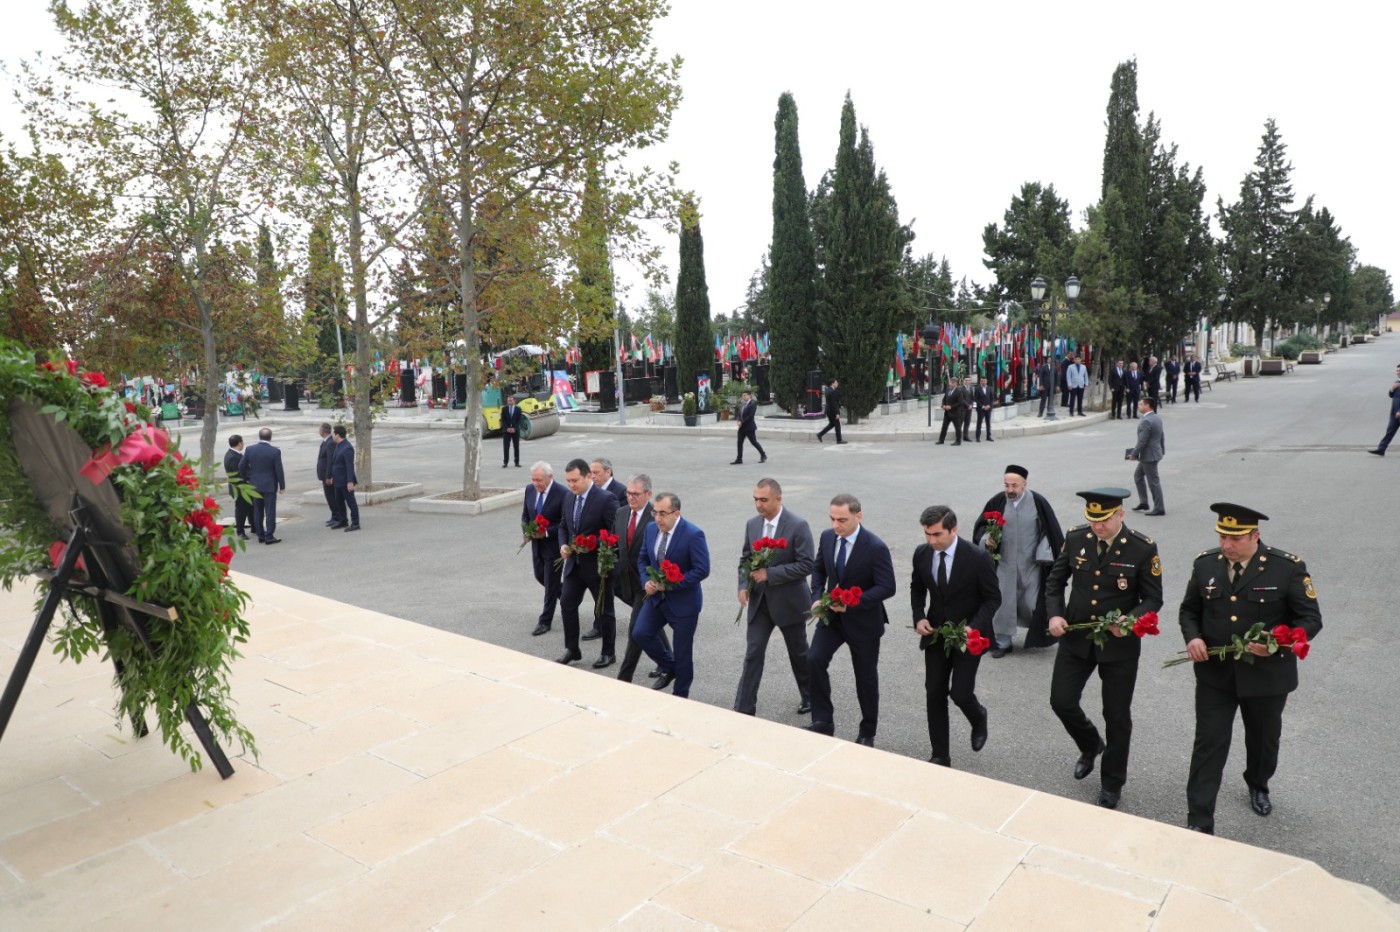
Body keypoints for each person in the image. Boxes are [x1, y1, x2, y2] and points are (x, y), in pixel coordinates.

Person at [1179, 503, 1322, 834]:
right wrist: (1193, 638)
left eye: (1236, 538)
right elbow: (1189, 610)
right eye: (1223, 536)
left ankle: (1258, 783)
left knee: (1263, 739)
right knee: (1208, 743)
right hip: (1216, 673)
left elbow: (1310, 618)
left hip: (1267, 675)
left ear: (1255, 536)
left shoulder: (1286, 568)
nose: (1227, 544)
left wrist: (1278, 642)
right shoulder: (1205, 565)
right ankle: (1199, 821)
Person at [1046, 488, 1163, 810]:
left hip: (1119, 645)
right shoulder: (1075, 538)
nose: (1098, 527)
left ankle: (1112, 784)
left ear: (1121, 515)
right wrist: (1055, 613)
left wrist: (1130, 619)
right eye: (1093, 520)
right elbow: (1055, 581)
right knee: (1061, 701)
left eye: (1105, 520)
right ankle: (1089, 743)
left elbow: (1153, 599)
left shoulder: (1142, 548)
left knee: (1117, 716)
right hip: (1076, 637)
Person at [912, 505, 1000, 767]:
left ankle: (978, 717)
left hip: (968, 637)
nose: (931, 540)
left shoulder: (977, 557)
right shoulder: (923, 553)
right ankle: (940, 754)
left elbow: (993, 599)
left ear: (954, 529)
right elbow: (917, 588)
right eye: (927, 534)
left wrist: (973, 626)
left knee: (960, 693)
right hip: (937, 635)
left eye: (937, 534)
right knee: (934, 693)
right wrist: (919, 616)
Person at [805, 493, 896, 746]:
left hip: (864, 622)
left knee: (865, 677)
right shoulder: (827, 537)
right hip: (832, 617)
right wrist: (816, 597)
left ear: (858, 516)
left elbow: (887, 587)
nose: (836, 525)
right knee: (814, 660)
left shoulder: (875, 547)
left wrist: (853, 602)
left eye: (842, 519)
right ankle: (823, 721)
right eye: (832, 518)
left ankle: (867, 732)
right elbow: (819, 568)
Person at [734, 478, 813, 717]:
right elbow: (745, 560)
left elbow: (807, 564)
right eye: (756, 499)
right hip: (760, 604)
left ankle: (811, 696)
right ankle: (744, 708)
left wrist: (770, 574)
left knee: (798, 653)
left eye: (763, 500)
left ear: (779, 498)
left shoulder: (798, 525)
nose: (758, 504)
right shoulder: (752, 524)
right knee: (753, 652)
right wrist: (743, 584)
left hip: (789, 602)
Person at [973, 465, 1065, 657]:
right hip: (1004, 564)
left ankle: (1040, 633)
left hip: (1031, 564)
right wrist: (986, 539)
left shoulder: (1038, 502)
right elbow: (981, 526)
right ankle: (1002, 642)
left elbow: (1051, 531)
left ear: (1024, 484)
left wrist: (1048, 554)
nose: (1010, 490)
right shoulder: (997, 501)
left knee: (1033, 603)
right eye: (1006, 485)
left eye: (1014, 485)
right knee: (1003, 604)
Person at [634, 492, 711, 696]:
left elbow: (702, 569)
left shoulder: (693, 534)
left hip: (684, 604)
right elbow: (642, 560)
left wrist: (670, 585)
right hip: (657, 599)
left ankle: (680, 696)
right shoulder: (651, 530)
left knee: (683, 653)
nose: (657, 518)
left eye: (663, 513)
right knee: (640, 633)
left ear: (677, 513)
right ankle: (670, 668)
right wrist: (646, 581)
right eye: (655, 513)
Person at [558, 458, 618, 667]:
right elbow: (564, 525)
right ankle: (572, 649)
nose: (571, 485)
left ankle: (608, 653)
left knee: (604, 610)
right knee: (566, 604)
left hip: (598, 567)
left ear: (588, 476)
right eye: (568, 481)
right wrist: (563, 545)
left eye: (575, 480)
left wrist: (592, 543)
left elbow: (614, 533)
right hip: (574, 565)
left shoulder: (605, 499)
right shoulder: (568, 497)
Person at [613, 474, 669, 683]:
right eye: (628, 493)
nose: (631, 497)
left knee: (636, 631)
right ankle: (668, 662)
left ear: (649, 494)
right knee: (649, 624)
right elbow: (614, 544)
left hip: (647, 585)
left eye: (636, 494)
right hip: (626, 583)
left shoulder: (656, 517)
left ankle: (624, 677)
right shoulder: (620, 513)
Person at [523, 461, 566, 637]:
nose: (536, 483)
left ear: (550, 477)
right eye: (533, 479)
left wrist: (547, 532)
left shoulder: (563, 493)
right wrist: (526, 530)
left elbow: (565, 524)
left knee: (550, 584)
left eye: (539, 480)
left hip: (554, 546)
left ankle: (545, 621)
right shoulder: (529, 490)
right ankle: (568, 596)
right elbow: (526, 515)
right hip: (536, 545)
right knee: (540, 576)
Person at [239, 427, 285, 544]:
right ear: (270, 437)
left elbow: (241, 466)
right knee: (270, 511)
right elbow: (278, 470)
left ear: (259, 436)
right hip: (269, 485)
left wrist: (247, 478)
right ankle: (269, 535)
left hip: (255, 485)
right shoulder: (275, 451)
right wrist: (282, 485)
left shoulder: (250, 449)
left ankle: (261, 535)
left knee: (257, 511)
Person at [1129, 397, 1166, 516]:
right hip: (1153, 453)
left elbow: (1142, 441)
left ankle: (1159, 508)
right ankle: (1144, 502)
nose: (1139, 406)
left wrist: (1134, 454)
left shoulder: (1147, 421)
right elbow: (1161, 436)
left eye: (1141, 404)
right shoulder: (1156, 418)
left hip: (1149, 456)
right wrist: (1162, 450)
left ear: (1147, 406)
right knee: (1138, 476)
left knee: (1153, 482)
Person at [330, 425, 360, 532]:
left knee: (351, 502)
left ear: (337, 434)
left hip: (345, 481)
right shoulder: (338, 445)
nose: (332, 435)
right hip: (338, 480)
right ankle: (343, 520)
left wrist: (350, 481)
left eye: (333, 433)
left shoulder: (347, 448)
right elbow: (336, 464)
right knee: (339, 501)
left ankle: (355, 523)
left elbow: (349, 466)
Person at [1366, 363, 1400, 456]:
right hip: (1394, 412)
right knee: (1390, 431)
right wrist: (1392, 389)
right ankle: (1381, 449)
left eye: (1399, 371)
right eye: (1397, 371)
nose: (1398, 373)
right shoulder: (1397, 382)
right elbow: (1391, 395)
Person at [222, 435, 251, 540]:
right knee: (241, 510)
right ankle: (240, 531)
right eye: (242, 442)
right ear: (239, 443)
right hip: (239, 488)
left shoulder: (233, 454)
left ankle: (254, 527)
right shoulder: (233, 457)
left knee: (250, 508)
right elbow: (239, 474)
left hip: (242, 487)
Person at [732, 390, 767, 465]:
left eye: (745, 395)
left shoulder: (752, 404)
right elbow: (739, 414)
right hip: (742, 428)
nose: (743, 397)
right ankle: (739, 459)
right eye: (743, 395)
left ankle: (763, 455)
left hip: (749, 427)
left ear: (749, 396)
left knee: (754, 442)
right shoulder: (742, 404)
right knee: (739, 443)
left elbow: (750, 416)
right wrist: (738, 420)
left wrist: (742, 422)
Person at [315, 422, 339, 526]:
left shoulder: (330, 443)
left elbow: (330, 461)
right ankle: (334, 516)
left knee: (331, 497)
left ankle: (337, 516)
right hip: (323, 474)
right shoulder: (325, 442)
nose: (318, 431)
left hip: (327, 475)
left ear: (323, 431)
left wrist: (329, 476)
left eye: (319, 429)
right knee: (329, 497)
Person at [937, 377, 969, 445]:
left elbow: (960, 403)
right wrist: (943, 405)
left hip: (955, 413)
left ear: (955, 383)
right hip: (947, 413)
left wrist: (951, 407)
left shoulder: (959, 391)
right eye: (950, 382)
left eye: (952, 382)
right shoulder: (948, 390)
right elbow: (944, 399)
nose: (950, 384)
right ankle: (941, 440)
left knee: (957, 427)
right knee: (944, 427)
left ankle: (958, 441)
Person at [817, 378, 846, 444]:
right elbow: (834, 403)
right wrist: (837, 413)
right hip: (832, 411)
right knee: (837, 425)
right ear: (832, 383)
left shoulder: (828, 390)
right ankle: (839, 440)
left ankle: (820, 434)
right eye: (836, 382)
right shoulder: (833, 391)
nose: (837, 383)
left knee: (832, 424)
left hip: (828, 410)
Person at [500, 394, 523, 468]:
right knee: (506, 447)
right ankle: (505, 462)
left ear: (514, 401)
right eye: (508, 401)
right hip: (506, 431)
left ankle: (517, 462)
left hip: (515, 431)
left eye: (511, 400)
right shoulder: (504, 409)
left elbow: (519, 420)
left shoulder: (518, 409)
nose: (509, 402)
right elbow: (503, 420)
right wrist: (507, 428)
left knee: (516, 447)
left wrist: (514, 428)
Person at [973, 376, 995, 442]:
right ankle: (977, 437)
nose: (982, 382)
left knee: (988, 423)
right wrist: (982, 406)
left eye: (984, 381)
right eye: (981, 381)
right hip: (980, 409)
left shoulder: (990, 388)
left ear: (986, 381)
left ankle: (988, 436)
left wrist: (989, 405)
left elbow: (992, 399)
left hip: (988, 409)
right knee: (979, 423)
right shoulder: (977, 389)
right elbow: (975, 399)